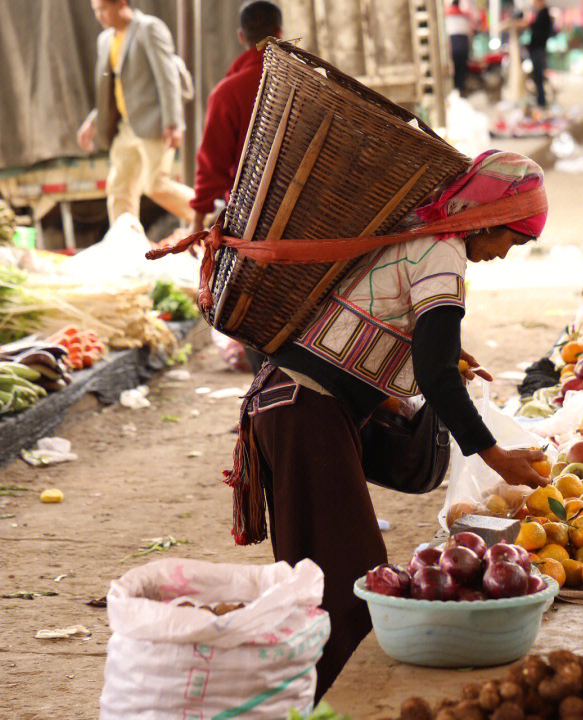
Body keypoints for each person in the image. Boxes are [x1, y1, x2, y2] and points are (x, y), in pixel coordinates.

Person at [227, 151, 549, 698]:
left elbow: (388, 322)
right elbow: (436, 374)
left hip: (293, 406)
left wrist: (442, 356)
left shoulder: (416, 230)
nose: (501, 255)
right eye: (508, 242)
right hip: (305, 415)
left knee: (326, 578)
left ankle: (323, 699)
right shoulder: (446, 255)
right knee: (353, 585)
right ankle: (344, 704)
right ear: (488, 220)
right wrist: (496, 457)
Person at [77, 0, 194, 226]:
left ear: (120, 4)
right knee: (119, 187)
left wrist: (173, 122)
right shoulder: (105, 40)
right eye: (96, 11)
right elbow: (110, 89)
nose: (99, 16)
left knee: (155, 185)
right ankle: (124, 242)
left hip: (154, 123)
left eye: (103, 9)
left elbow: (167, 76)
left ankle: (210, 215)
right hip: (126, 126)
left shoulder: (148, 28)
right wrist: (93, 120)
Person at [189, 1, 283, 236]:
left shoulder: (226, 93)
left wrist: (197, 221)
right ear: (280, 34)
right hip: (308, 208)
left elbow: (212, 163)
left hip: (251, 220)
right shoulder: (305, 82)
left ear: (241, 37)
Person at [524, 0, 554, 108]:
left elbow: (538, 30)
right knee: (537, 75)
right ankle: (540, 99)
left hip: (538, 48)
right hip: (538, 48)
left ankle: (541, 101)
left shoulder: (543, 14)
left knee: (538, 75)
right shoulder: (542, 14)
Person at [446, 0, 473, 96]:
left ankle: (454, 91)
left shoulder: (447, 15)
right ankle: (460, 90)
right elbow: (470, 34)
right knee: (461, 70)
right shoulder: (464, 16)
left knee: (453, 69)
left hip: (453, 44)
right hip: (463, 45)